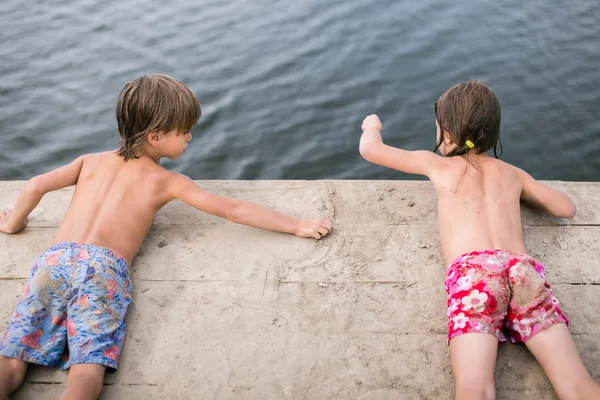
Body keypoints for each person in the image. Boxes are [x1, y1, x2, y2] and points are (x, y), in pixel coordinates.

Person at [0, 74, 332, 400]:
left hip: (55, 261)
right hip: (100, 270)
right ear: (156, 136)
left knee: (14, 357)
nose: (189, 137)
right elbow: (232, 209)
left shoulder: (90, 161)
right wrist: (296, 225)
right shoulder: (163, 180)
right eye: (184, 131)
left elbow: (35, 185)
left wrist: (14, 223)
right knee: (87, 368)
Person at [359, 80, 600, 400]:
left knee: (476, 387)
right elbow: (565, 208)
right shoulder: (511, 173)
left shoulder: (438, 166)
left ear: (445, 132)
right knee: (576, 385)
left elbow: (370, 150)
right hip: (522, 270)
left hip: (476, 275)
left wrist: (371, 126)